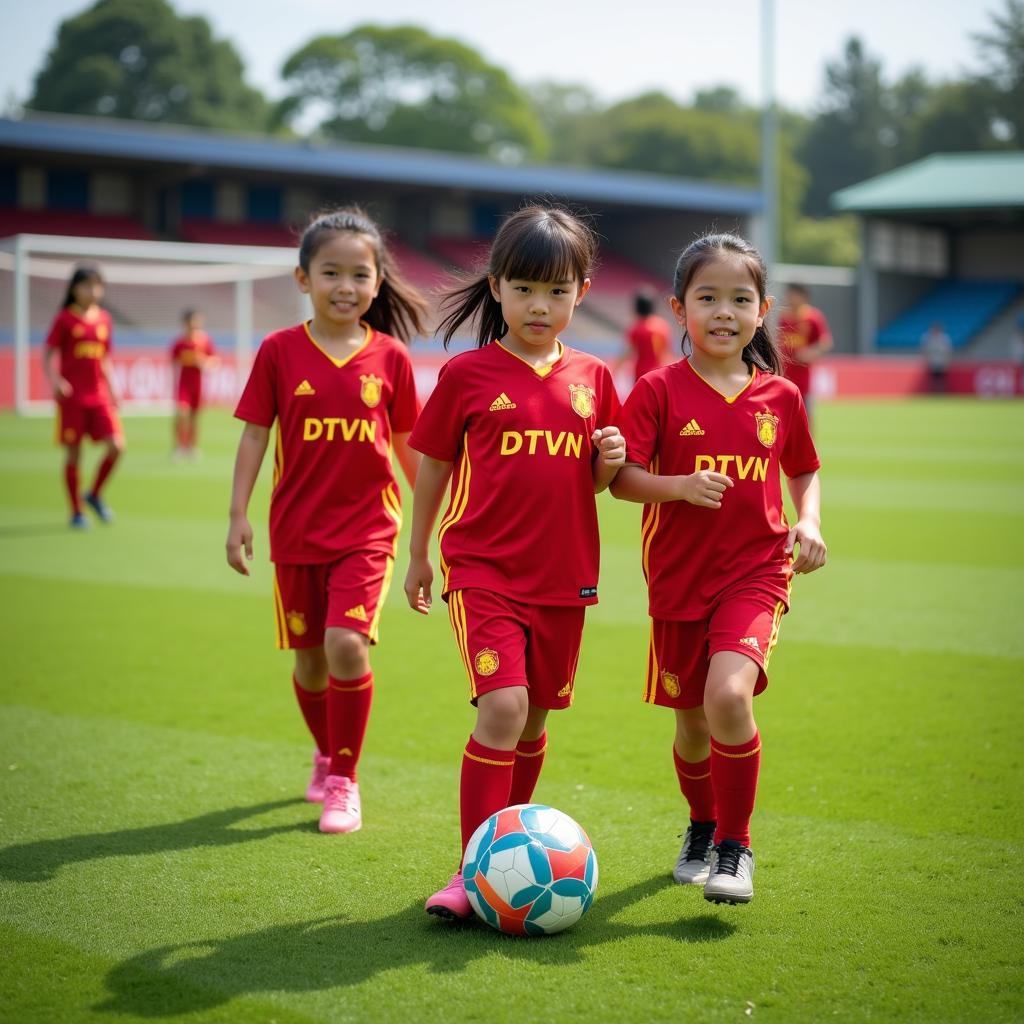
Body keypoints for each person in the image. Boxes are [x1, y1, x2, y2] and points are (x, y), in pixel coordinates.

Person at [403, 205, 626, 920]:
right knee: (504, 706)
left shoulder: (595, 377)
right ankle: (471, 875)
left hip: (565, 578)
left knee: (532, 723)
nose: (541, 304)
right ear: (497, 287)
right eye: (526, 288)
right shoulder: (466, 376)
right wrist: (417, 553)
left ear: (582, 292)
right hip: (482, 571)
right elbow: (433, 465)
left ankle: (507, 860)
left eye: (557, 290)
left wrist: (607, 463)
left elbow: (593, 481)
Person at [611, 233, 827, 906]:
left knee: (727, 699)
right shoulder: (655, 391)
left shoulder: (781, 397)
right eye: (708, 297)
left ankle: (737, 847)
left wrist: (809, 520)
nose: (724, 311)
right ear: (681, 308)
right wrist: (677, 487)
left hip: (756, 572)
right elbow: (621, 481)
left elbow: (803, 468)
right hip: (677, 582)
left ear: (762, 311)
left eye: (740, 298)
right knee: (691, 723)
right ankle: (702, 826)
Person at [226, 208, 428, 834]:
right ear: (303, 278)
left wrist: (442, 517)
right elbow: (256, 435)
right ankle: (325, 752)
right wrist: (237, 515)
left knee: (346, 644)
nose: (346, 285)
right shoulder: (279, 351)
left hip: (369, 528)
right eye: (331, 272)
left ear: (378, 281)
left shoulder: (390, 357)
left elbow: (407, 445)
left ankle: (345, 778)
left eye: (360, 274)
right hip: (294, 532)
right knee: (310, 661)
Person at [43, 265, 124, 529]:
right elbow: (47, 354)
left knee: (117, 446)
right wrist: (56, 380)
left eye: (97, 286)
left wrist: (114, 388)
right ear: (73, 289)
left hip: (99, 397)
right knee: (74, 454)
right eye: (86, 285)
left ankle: (94, 494)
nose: (92, 291)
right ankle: (76, 511)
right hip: (73, 399)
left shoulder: (104, 319)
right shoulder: (65, 319)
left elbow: (105, 359)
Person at [777, 284, 832, 420]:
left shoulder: (813, 317)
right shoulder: (784, 318)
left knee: (804, 414)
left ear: (803, 297)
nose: (789, 298)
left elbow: (825, 343)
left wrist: (809, 353)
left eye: (793, 295)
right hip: (785, 374)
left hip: (803, 376)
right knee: (783, 414)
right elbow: (779, 342)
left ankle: (807, 441)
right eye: (788, 294)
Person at [170, 309, 218, 458]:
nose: (196, 325)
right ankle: (179, 446)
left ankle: (192, 447)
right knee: (182, 414)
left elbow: (214, 361)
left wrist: (203, 362)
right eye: (193, 321)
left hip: (198, 384)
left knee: (195, 417)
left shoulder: (204, 341)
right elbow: (173, 363)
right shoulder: (179, 343)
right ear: (186, 323)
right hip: (184, 384)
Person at [621, 288, 674, 383]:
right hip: (659, 372)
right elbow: (666, 352)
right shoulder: (663, 326)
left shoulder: (637, 328)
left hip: (642, 374)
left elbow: (627, 352)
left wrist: (616, 368)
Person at [920, 322, 952, 394]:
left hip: (942, 362)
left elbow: (947, 351)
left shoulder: (944, 338)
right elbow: (924, 350)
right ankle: (933, 392)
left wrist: (946, 361)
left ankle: (941, 392)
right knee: (933, 379)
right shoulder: (927, 338)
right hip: (932, 362)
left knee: (941, 379)